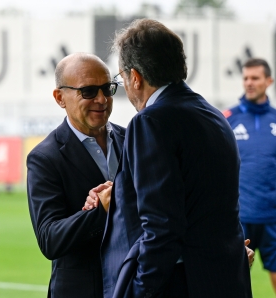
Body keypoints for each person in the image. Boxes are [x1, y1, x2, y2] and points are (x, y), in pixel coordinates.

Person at [92, 19, 252, 297]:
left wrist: (141, 290)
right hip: (227, 278)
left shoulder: (151, 122)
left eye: (121, 78)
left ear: (135, 77)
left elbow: (161, 227)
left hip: (182, 283)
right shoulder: (214, 115)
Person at [26, 52, 126, 298]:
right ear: (60, 97)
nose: (102, 99)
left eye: (107, 88)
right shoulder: (45, 157)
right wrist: (99, 209)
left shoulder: (132, 140)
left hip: (132, 285)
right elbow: (50, 238)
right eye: (89, 91)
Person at [223, 58, 276, 298]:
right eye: (245, 78)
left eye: (255, 78)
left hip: (275, 217)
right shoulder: (227, 119)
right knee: (234, 285)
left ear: (269, 81)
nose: (249, 83)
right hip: (239, 218)